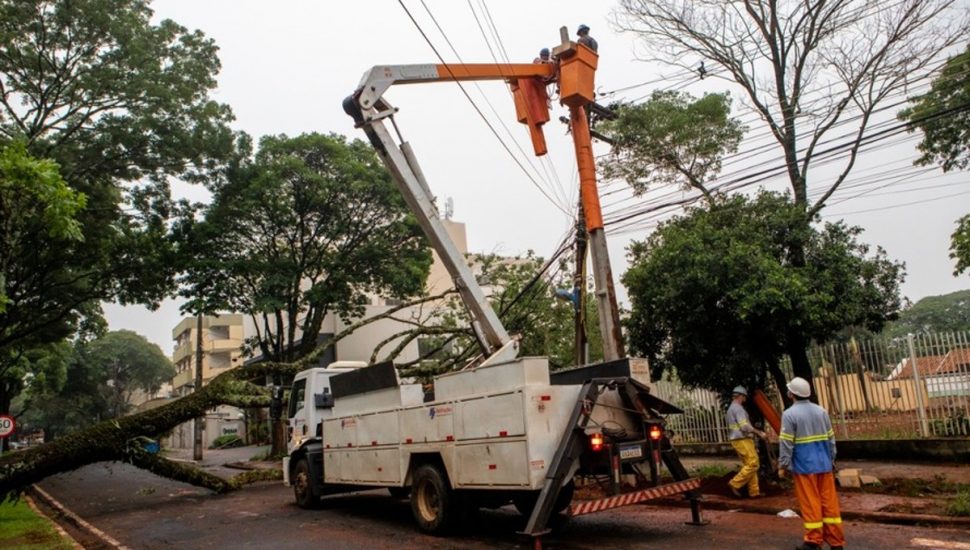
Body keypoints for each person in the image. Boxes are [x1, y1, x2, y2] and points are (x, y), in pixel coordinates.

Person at [778, 377, 845, 550]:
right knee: (829, 504)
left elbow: (786, 443)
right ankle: (836, 541)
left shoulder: (789, 414)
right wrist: (832, 460)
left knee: (811, 503)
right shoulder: (821, 411)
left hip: (804, 467)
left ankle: (813, 541)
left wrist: (783, 465)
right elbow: (831, 439)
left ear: (791, 394)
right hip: (824, 465)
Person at [726, 385, 765, 498]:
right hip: (742, 439)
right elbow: (744, 426)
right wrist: (759, 433)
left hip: (738, 440)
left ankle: (754, 492)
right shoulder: (738, 408)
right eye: (744, 397)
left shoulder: (731, 408)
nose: (745, 399)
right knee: (753, 464)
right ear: (741, 396)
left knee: (749, 465)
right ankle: (735, 483)